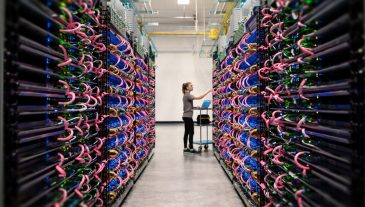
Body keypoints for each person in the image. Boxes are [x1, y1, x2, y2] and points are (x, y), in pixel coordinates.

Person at [182, 82, 211, 153]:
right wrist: (208, 91)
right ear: (187, 88)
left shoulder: (185, 95)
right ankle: (191, 148)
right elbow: (200, 97)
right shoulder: (188, 95)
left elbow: (188, 106)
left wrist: (195, 107)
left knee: (187, 132)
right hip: (188, 117)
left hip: (185, 116)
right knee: (191, 132)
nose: (192, 87)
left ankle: (185, 148)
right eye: (191, 86)